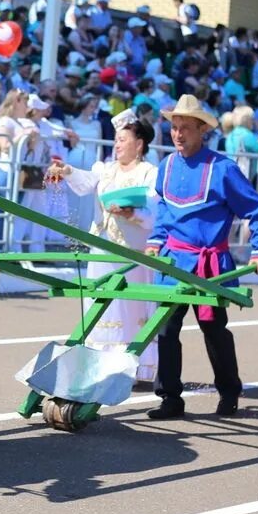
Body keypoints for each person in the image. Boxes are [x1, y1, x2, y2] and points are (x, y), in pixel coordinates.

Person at [144, 94, 258, 419]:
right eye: (174, 127)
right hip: (173, 261)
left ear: (203, 130)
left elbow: (255, 209)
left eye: (185, 128)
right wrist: (155, 240)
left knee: (214, 330)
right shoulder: (166, 165)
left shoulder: (223, 169)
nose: (177, 134)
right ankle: (170, 397)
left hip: (208, 265)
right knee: (166, 330)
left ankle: (229, 392)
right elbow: (164, 210)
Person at [47, 115, 160, 383]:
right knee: (99, 304)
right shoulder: (106, 169)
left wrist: (132, 212)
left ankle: (132, 366)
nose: (117, 145)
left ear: (139, 143)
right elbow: (87, 181)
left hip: (132, 252)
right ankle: (99, 365)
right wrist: (68, 171)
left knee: (129, 306)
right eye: (116, 140)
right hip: (102, 248)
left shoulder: (149, 173)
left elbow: (155, 209)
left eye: (123, 140)